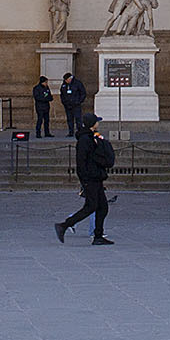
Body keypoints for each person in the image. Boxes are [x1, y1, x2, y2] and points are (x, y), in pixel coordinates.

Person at [55, 111, 115, 244]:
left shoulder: (91, 137)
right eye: (97, 121)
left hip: (96, 177)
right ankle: (64, 225)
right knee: (91, 206)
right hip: (90, 178)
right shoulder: (85, 140)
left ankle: (98, 236)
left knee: (102, 207)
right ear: (93, 124)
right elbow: (82, 162)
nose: (98, 123)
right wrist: (85, 180)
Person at [60, 72, 87, 138]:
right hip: (68, 105)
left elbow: (83, 93)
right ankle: (71, 132)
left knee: (78, 119)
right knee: (69, 119)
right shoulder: (64, 84)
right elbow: (62, 94)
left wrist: (79, 101)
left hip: (76, 105)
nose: (66, 81)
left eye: (67, 80)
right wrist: (64, 102)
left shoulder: (77, 83)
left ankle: (80, 132)